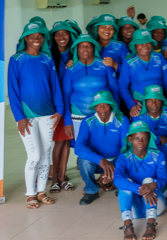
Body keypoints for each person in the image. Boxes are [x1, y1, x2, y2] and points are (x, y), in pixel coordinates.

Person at [9, 21, 64, 208]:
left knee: (46, 155)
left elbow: (55, 86)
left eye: (40, 35)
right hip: (28, 116)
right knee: (34, 155)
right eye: (32, 36)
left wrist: (59, 110)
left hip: (48, 115)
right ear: (25, 38)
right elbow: (13, 90)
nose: (36, 38)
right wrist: (19, 117)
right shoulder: (16, 60)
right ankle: (30, 194)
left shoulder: (47, 59)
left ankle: (41, 191)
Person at [114, 121, 167, 240]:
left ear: (149, 139)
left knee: (148, 180)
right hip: (135, 209)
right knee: (124, 183)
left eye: (144, 138)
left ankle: (151, 224)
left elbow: (163, 179)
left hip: (156, 205)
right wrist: (141, 189)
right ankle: (128, 226)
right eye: (136, 138)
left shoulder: (158, 155)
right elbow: (117, 180)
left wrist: (151, 185)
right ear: (130, 139)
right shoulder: (124, 158)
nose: (140, 141)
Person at [74, 90, 129, 205]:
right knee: (83, 161)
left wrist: (115, 168)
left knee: (128, 157)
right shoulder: (88, 122)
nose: (102, 109)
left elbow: (126, 148)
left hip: (116, 161)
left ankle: (120, 184)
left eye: (105, 105)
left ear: (111, 105)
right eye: (98, 106)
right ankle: (91, 190)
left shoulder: (122, 120)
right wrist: (101, 160)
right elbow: (78, 147)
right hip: (97, 162)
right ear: (94, 108)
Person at [61, 34, 120, 140]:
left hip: (103, 115)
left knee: (103, 147)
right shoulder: (70, 69)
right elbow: (66, 97)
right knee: (83, 149)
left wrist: (116, 113)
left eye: (89, 46)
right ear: (76, 50)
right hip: (77, 117)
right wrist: (67, 122)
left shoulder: (105, 66)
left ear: (94, 48)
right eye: (81, 46)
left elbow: (115, 91)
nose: (85, 49)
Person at [47, 21, 77, 193]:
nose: (61, 37)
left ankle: (63, 177)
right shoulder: (50, 56)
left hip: (71, 104)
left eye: (65, 34)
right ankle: (55, 179)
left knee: (66, 141)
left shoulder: (75, 54)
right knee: (59, 142)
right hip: (56, 105)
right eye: (57, 34)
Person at [119, 29, 167, 118]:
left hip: (159, 102)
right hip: (139, 104)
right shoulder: (129, 63)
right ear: (135, 46)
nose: (145, 46)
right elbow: (122, 86)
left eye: (147, 42)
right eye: (141, 43)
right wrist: (132, 105)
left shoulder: (159, 58)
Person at [132, 85, 167, 153]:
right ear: (145, 102)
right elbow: (136, 140)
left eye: (157, 100)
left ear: (162, 101)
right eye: (149, 100)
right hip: (145, 153)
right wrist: (159, 139)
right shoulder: (137, 116)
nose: (154, 104)